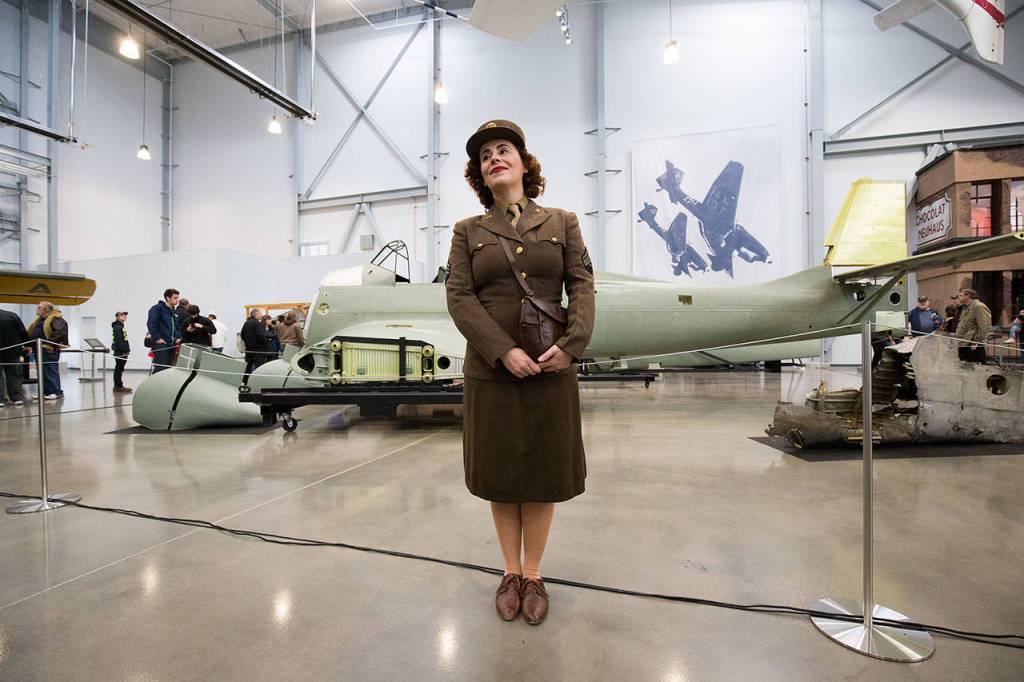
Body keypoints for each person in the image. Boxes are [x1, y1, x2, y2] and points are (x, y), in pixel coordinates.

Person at [446, 120, 595, 626]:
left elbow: (583, 286)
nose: (494, 158)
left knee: (543, 473)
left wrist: (571, 346)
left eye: (503, 149)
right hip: (492, 372)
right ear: (480, 175)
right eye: (485, 155)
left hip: (552, 369)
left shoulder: (563, 221)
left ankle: (534, 574)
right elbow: (460, 298)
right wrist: (502, 350)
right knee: (502, 474)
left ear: (524, 163)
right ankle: (509, 571)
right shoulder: (468, 232)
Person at [26, 301, 68, 399]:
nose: (37, 309)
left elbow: (59, 333)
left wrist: (47, 344)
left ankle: (56, 391)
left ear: (46, 309)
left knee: (50, 370)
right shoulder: (40, 320)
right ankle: (45, 392)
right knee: (42, 371)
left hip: (49, 349)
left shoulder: (56, 319)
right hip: (39, 349)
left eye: (39, 307)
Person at [0, 307, 30, 406]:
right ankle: (16, 398)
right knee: (14, 375)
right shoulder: (12, 315)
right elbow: (22, 332)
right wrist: (27, 345)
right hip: (13, 351)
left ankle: (0, 400)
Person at [147, 288, 181, 374]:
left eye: (178, 297)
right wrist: (158, 338)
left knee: (168, 369)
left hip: (171, 344)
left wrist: (179, 337)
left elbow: (176, 327)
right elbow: (151, 324)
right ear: (168, 298)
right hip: (161, 344)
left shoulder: (173, 311)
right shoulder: (157, 308)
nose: (177, 300)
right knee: (160, 368)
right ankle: (154, 386)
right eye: (175, 297)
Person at [955, 288, 992, 363]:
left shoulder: (979, 306)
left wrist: (976, 341)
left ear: (968, 296)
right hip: (964, 342)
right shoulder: (966, 308)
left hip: (973, 345)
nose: (959, 297)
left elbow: (984, 326)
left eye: (960, 295)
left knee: (976, 368)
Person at [240, 308, 269, 376]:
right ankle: (257, 380)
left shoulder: (246, 323)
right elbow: (260, 335)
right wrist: (266, 344)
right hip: (258, 349)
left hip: (249, 348)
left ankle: (245, 380)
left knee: (248, 365)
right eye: (260, 313)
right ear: (257, 314)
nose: (261, 315)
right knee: (259, 367)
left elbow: (242, 335)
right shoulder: (257, 323)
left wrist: (248, 342)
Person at [111, 311, 132, 394]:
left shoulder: (120, 326)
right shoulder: (117, 327)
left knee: (119, 369)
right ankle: (118, 386)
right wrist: (124, 351)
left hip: (122, 351)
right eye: (122, 315)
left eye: (125, 315)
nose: (124, 316)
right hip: (120, 352)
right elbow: (119, 341)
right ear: (117, 317)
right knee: (118, 369)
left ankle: (119, 385)